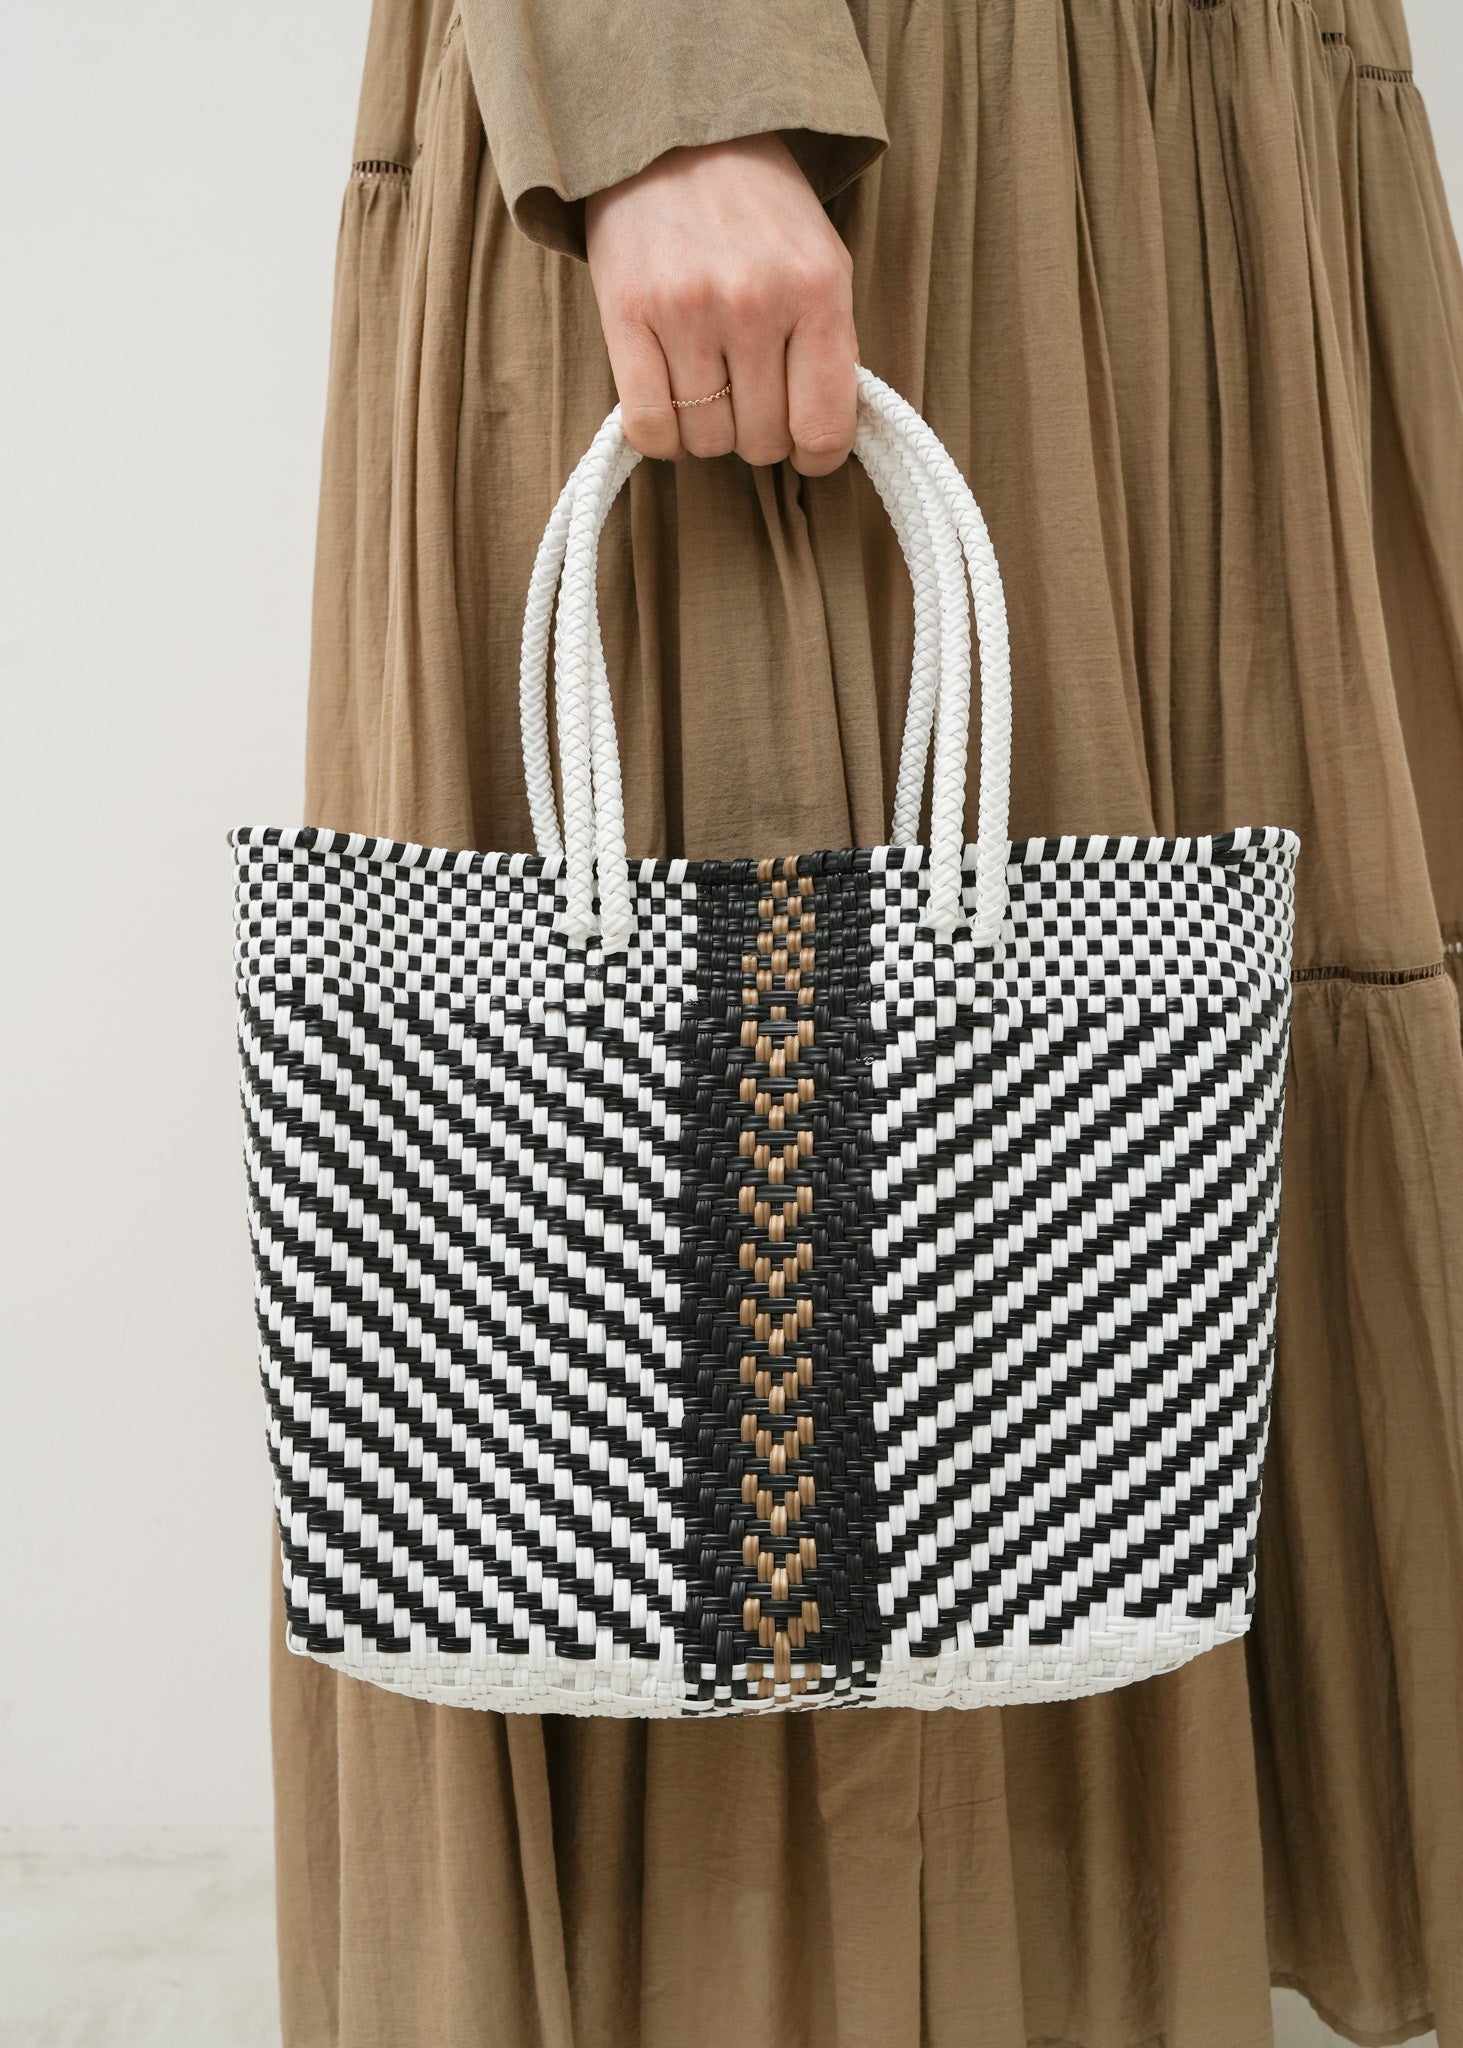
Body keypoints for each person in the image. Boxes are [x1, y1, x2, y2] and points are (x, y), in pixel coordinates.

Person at [278, 3, 1463, 2042]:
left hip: (1224, 143)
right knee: (753, 1233)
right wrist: (663, 100)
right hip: (836, 116)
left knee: (1091, 1163)